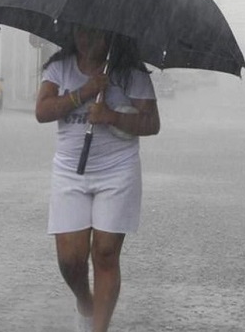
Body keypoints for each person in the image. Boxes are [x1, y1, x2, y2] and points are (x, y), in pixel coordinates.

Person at [35, 25, 160, 332]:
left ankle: (98, 329)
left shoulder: (131, 73)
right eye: (79, 31)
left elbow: (152, 122)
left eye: (94, 33)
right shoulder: (59, 67)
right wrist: (84, 92)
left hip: (118, 170)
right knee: (70, 260)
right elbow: (42, 111)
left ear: (112, 36)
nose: (85, 39)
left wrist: (112, 117)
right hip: (70, 171)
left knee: (104, 253)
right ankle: (85, 301)